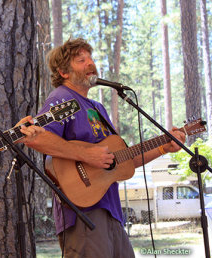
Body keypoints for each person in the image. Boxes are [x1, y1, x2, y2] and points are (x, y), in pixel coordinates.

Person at [19, 38, 186, 257]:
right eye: (81, 60)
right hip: (83, 213)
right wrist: (87, 154)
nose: (90, 63)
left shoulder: (97, 108)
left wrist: (164, 147)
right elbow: (37, 138)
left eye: (91, 58)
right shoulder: (61, 98)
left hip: (111, 209)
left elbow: (121, 161)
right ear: (63, 72)